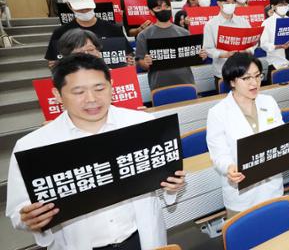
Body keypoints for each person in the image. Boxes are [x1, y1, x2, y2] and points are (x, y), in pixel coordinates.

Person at [5, 53, 186, 249]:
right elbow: (18, 211)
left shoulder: (143, 125)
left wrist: (173, 186)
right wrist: (29, 218)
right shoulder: (33, 146)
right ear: (58, 95)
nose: (92, 99)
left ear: (111, 86)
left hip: (140, 239)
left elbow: (165, 179)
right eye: (78, 92)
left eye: (99, 88)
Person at [206, 53, 285, 217]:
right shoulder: (218, 113)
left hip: (272, 188)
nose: (254, 83)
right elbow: (218, 154)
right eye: (246, 78)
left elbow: (282, 135)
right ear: (232, 82)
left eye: (257, 76)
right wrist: (229, 167)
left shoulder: (269, 101)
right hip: (242, 194)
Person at [135, 0, 207, 90]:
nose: (164, 10)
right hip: (159, 86)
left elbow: (194, 59)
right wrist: (146, 63)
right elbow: (141, 62)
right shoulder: (143, 35)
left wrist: (201, 55)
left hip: (186, 83)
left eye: (166, 6)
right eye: (158, 8)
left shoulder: (184, 32)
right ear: (151, 12)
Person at [45, 0, 131, 67]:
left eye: (88, 7)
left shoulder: (113, 29)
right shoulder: (60, 33)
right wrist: (55, 66)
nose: (84, 11)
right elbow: (53, 62)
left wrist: (130, 61)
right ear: (69, 5)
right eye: (80, 9)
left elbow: (128, 55)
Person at [203, 0, 253, 84]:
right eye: (227, 2)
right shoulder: (211, 24)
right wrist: (226, 54)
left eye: (233, 2)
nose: (230, 5)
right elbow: (208, 49)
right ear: (218, 3)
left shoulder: (243, 21)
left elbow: (252, 42)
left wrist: (247, 50)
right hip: (222, 72)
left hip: (244, 71)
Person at [260, 0, 289, 81]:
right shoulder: (267, 23)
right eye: (280, 4)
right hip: (277, 64)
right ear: (273, 6)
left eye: (285, 4)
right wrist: (278, 46)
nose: (284, 7)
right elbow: (263, 45)